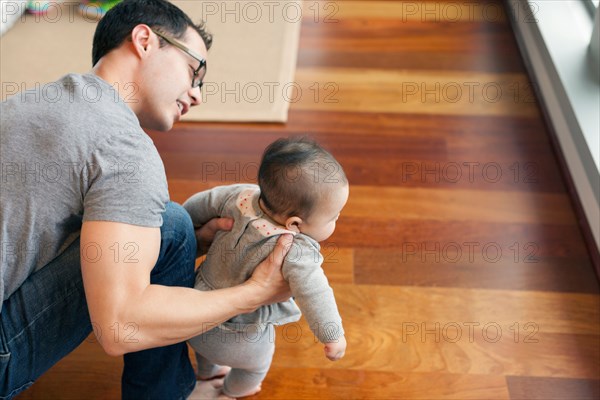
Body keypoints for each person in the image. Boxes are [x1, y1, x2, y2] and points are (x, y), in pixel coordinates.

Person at [0, 0, 292, 399]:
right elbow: (120, 327)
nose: (197, 94)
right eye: (195, 71)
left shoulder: (30, 102)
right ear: (144, 40)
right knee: (170, 225)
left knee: (174, 230)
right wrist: (254, 293)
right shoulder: (124, 149)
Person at [183, 137, 349, 398]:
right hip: (238, 335)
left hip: (191, 312)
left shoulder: (241, 196)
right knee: (255, 367)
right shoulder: (295, 248)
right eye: (334, 216)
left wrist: (185, 227)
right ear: (294, 224)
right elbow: (316, 293)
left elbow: (202, 202)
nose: (337, 219)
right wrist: (332, 335)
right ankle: (231, 392)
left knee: (206, 350)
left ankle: (207, 372)